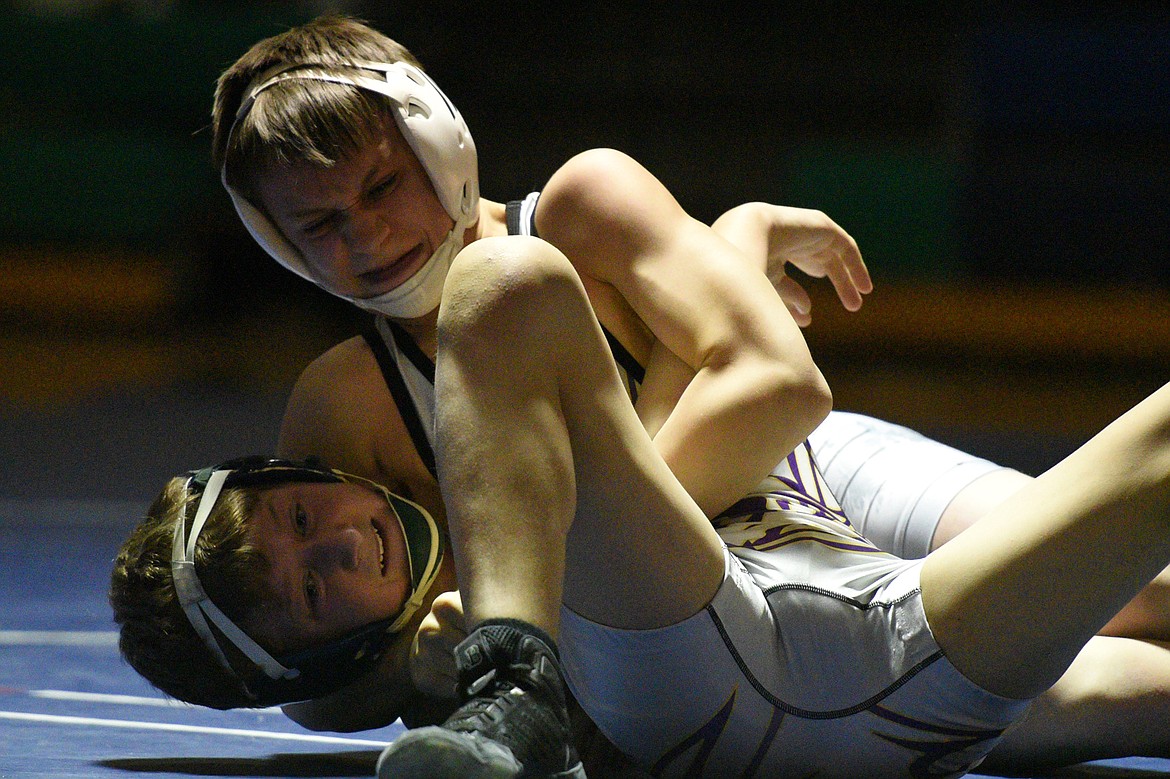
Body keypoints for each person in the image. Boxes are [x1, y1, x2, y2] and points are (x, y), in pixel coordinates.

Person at [110, 13, 1170, 775]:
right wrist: (426, 670)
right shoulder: (345, 401)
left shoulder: (576, 207)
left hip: (797, 482)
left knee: (1150, 593)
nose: (366, 237)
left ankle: (531, 663)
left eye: (379, 188)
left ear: (436, 136)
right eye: (319, 227)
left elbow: (778, 386)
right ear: (275, 247)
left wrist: (531, 591)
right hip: (717, 616)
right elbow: (327, 667)